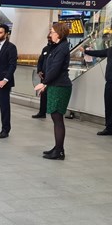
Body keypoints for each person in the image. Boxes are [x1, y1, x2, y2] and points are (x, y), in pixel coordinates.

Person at [34, 23, 73, 160]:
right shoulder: (57, 47)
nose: (50, 34)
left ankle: (59, 151)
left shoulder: (62, 48)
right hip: (55, 85)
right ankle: (57, 147)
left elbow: (55, 69)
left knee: (57, 118)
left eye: (52, 32)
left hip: (60, 86)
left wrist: (44, 83)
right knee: (55, 118)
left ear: (59, 33)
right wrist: (45, 85)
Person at [33, 35, 55, 118]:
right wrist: (39, 70)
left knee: (53, 94)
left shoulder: (57, 49)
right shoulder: (45, 49)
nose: (49, 40)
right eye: (48, 38)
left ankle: (54, 112)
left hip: (53, 76)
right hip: (44, 76)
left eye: (50, 38)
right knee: (43, 94)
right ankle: (42, 112)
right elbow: (40, 60)